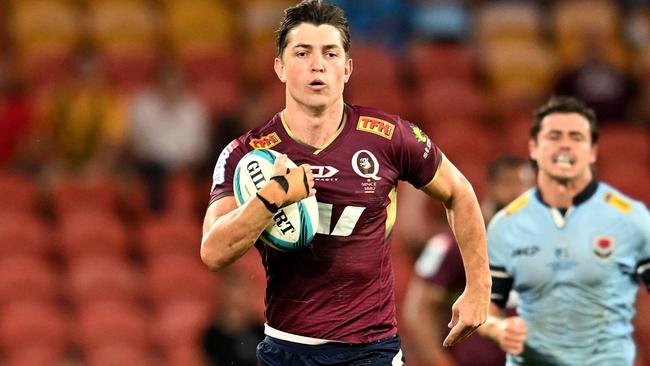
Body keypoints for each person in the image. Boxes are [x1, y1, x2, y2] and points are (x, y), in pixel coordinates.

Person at [200, 1, 491, 365]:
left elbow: (459, 192)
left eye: (330, 53)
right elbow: (213, 252)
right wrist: (272, 195)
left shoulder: (389, 137)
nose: (317, 65)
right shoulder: (247, 154)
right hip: (286, 348)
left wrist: (479, 286)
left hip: (371, 350)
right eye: (302, 53)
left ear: (348, 68)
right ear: (280, 67)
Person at [478, 96, 650, 365]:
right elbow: (484, 308)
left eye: (576, 137)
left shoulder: (632, 220)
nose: (565, 145)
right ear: (534, 148)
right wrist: (498, 329)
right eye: (554, 136)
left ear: (593, 151)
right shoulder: (506, 225)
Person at [403, 156, 534, 366]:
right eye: (510, 183)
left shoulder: (541, 245)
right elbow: (420, 310)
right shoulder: (452, 245)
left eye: (525, 186)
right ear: (491, 186)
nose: (517, 193)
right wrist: (438, 362)